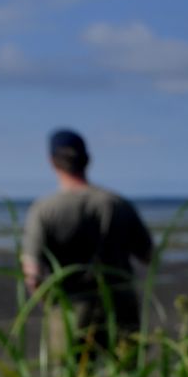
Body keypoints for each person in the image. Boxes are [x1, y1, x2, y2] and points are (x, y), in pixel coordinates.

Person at [21, 129, 154, 352]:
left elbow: (32, 274)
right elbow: (147, 255)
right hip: (121, 305)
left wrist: (49, 304)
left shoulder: (44, 209)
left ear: (52, 161)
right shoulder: (117, 204)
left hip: (70, 309)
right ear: (87, 160)